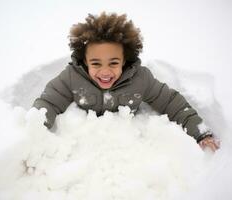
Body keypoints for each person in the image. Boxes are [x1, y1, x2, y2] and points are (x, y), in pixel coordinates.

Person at [32, 12, 220, 152]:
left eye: (113, 63)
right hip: (83, 148)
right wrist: (33, 137)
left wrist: (200, 132)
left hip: (129, 148)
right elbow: (48, 103)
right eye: (96, 63)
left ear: (125, 59)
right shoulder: (72, 77)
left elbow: (171, 102)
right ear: (84, 61)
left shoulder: (140, 79)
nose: (105, 72)